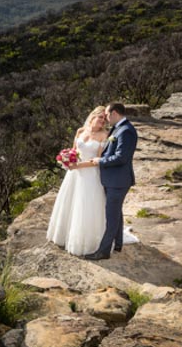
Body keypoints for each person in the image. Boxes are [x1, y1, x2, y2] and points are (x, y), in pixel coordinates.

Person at [46, 106, 109, 256]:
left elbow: (97, 160)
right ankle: (64, 235)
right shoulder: (80, 131)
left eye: (104, 119)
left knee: (84, 205)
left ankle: (83, 241)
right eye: (100, 117)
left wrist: (77, 165)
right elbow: (74, 151)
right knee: (69, 201)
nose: (102, 121)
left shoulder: (104, 135)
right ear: (93, 116)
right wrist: (66, 158)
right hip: (74, 173)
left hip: (90, 174)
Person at [83, 102, 138, 260]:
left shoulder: (126, 131)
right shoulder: (118, 127)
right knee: (116, 212)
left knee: (111, 216)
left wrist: (100, 161)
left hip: (118, 181)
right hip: (114, 179)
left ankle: (104, 251)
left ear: (114, 113)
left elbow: (121, 157)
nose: (106, 119)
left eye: (106, 115)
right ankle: (118, 242)